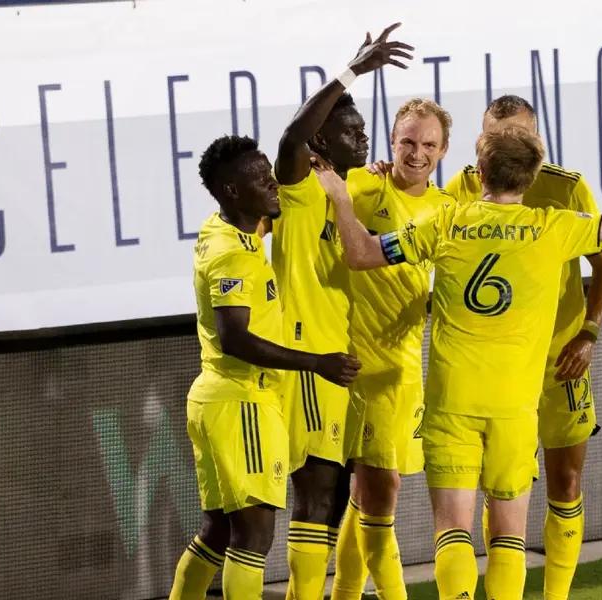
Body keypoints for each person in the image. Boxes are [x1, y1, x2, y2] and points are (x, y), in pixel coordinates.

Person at [319, 125, 602, 599]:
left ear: (480, 170)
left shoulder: (447, 223)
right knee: (509, 537)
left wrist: (341, 198)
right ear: (530, 178)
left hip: (451, 407)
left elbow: (360, 253)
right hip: (515, 411)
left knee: (453, 533)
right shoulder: (555, 227)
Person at [168, 135, 360, 600]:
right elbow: (235, 339)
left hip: (218, 398)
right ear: (232, 190)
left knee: (216, 532)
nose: (273, 183)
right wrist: (317, 363)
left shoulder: (224, 230)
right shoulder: (234, 252)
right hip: (243, 402)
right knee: (252, 539)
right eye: (260, 179)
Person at [444, 95, 602, 600]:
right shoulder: (464, 185)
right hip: (493, 368)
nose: (505, 146)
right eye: (494, 137)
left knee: (565, 482)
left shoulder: (566, 187)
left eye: (517, 135)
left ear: (537, 138)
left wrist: (588, 332)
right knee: (500, 487)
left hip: (557, 362)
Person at [271, 23, 412, 599]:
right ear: (320, 143)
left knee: (342, 492)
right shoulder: (301, 185)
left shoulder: (351, 190)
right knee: (317, 493)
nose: (364, 139)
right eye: (350, 132)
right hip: (310, 358)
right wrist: (352, 70)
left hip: (346, 363)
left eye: (363, 129)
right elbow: (289, 136)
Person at [330, 97, 455, 600]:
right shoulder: (360, 185)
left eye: (428, 144)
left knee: (367, 498)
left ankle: (342, 595)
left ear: (443, 151)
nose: (417, 153)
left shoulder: (448, 210)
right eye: (408, 141)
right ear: (391, 142)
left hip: (401, 367)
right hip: (348, 363)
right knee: (380, 498)